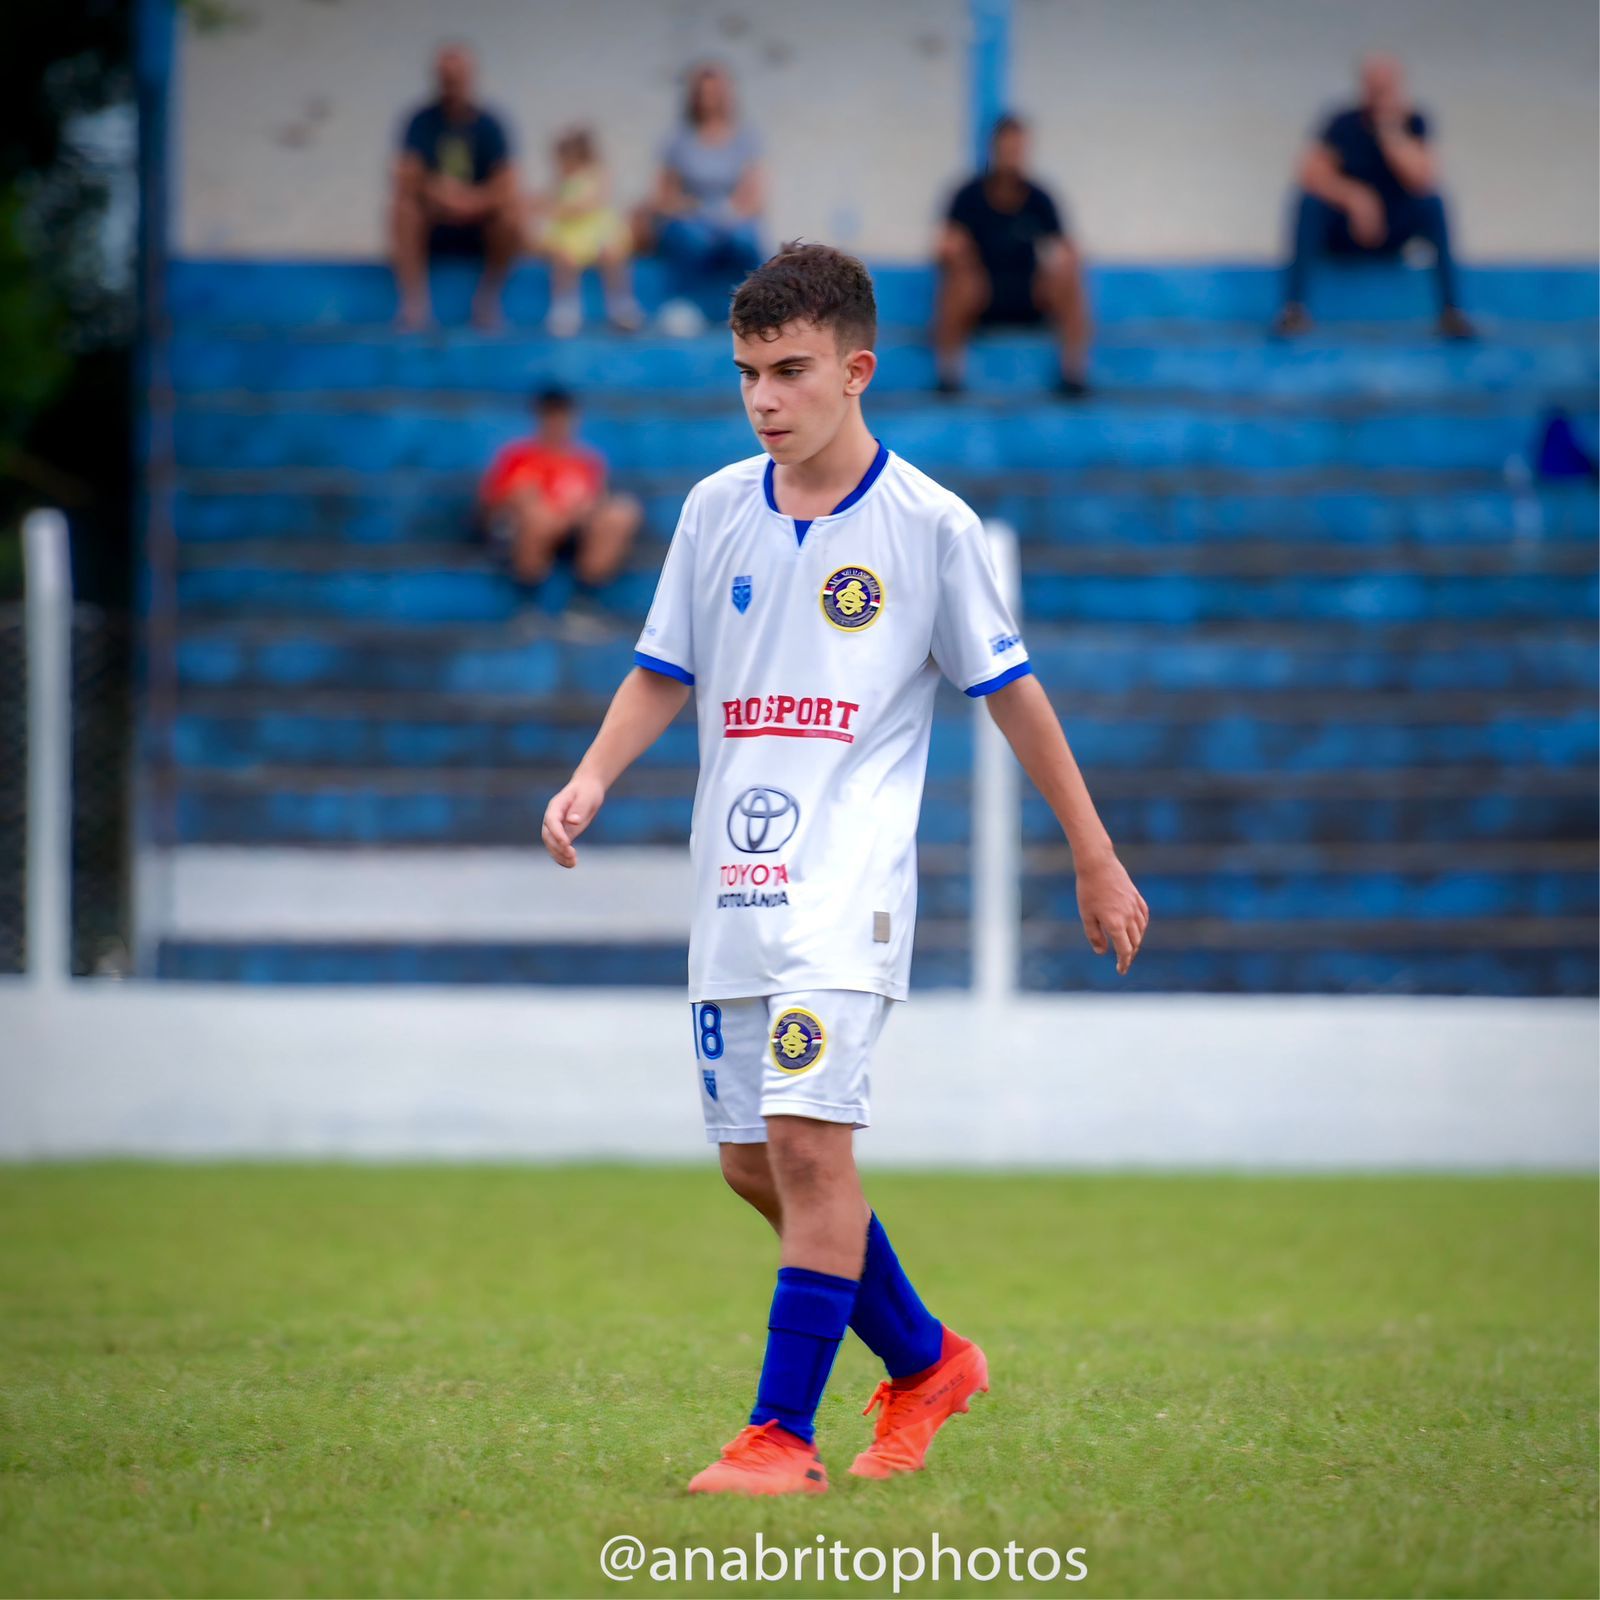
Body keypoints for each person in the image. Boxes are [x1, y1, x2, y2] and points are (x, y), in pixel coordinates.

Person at [540, 243, 1148, 1494]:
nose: (764, 400)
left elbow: (1013, 696)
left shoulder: (927, 525)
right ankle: (927, 1360)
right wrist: (593, 774)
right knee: (753, 1164)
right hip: (735, 889)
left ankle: (778, 1436)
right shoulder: (716, 508)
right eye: (747, 375)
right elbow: (667, 665)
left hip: (848, 890)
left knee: (811, 1149)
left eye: (790, 372)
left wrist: (1094, 855)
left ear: (856, 370)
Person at [1275, 54, 1474, 339]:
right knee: (1308, 204)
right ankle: (1293, 310)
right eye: (1374, 84)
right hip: (1347, 231)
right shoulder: (1342, 123)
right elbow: (1309, 173)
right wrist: (1356, 199)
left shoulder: (1414, 122)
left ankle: (1452, 312)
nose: (1379, 91)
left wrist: (1390, 132)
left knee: (1434, 204)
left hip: (1393, 232)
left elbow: (1424, 179)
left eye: (1386, 85)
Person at [934, 113, 1092, 396]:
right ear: (993, 149)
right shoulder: (967, 196)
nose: (1011, 154)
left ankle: (1073, 374)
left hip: (1030, 294)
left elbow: (1067, 246)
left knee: (1069, 277)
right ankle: (949, 376)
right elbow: (945, 245)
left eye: (1017, 147)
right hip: (982, 294)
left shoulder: (1039, 198)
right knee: (958, 279)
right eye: (1006, 147)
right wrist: (958, 254)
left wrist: (1064, 260)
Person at [390, 44, 520, 331]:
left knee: (513, 216)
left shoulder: (490, 125)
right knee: (402, 209)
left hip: (478, 225)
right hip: (435, 221)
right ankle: (414, 307)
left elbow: (508, 183)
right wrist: (443, 195)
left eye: (457, 76)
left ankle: (487, 303)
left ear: (470, 77)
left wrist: (472, 202)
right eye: (445, 76)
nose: (451, 83)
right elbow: (405, 174)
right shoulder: (420, 122)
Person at [478, 387, 641, 609]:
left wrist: (579, 512)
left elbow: (596, 500)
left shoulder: (586, 461)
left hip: (573, 530)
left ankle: (585, 599)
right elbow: (494, 503)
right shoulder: (517, 457)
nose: (557, 423)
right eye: (551, 416)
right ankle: (528, 601)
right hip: (523, 530)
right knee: (535, 513)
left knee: (622, 512)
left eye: (563, 416)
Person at [637, 63, 765, 334]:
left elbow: (754, 195)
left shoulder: (745, 138)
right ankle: (681, 307)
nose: (709, 99)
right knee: (691, 237)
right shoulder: (678, 138)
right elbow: (662, 196)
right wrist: (688, 209)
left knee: (745, 238)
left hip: (730, 217)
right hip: (688, 218)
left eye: (715, 92)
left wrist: (731, 215)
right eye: (703, 93)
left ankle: (750, 307)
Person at [532, 127, 643, 338]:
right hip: (570, 235)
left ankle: (621, 305)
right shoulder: (560, 181)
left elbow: (589, 203)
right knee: (563, 258)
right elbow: (546, 199)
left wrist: (559, 209)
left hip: (595, 231)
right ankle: (565, 308)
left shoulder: (596, 174)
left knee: (612, 253)